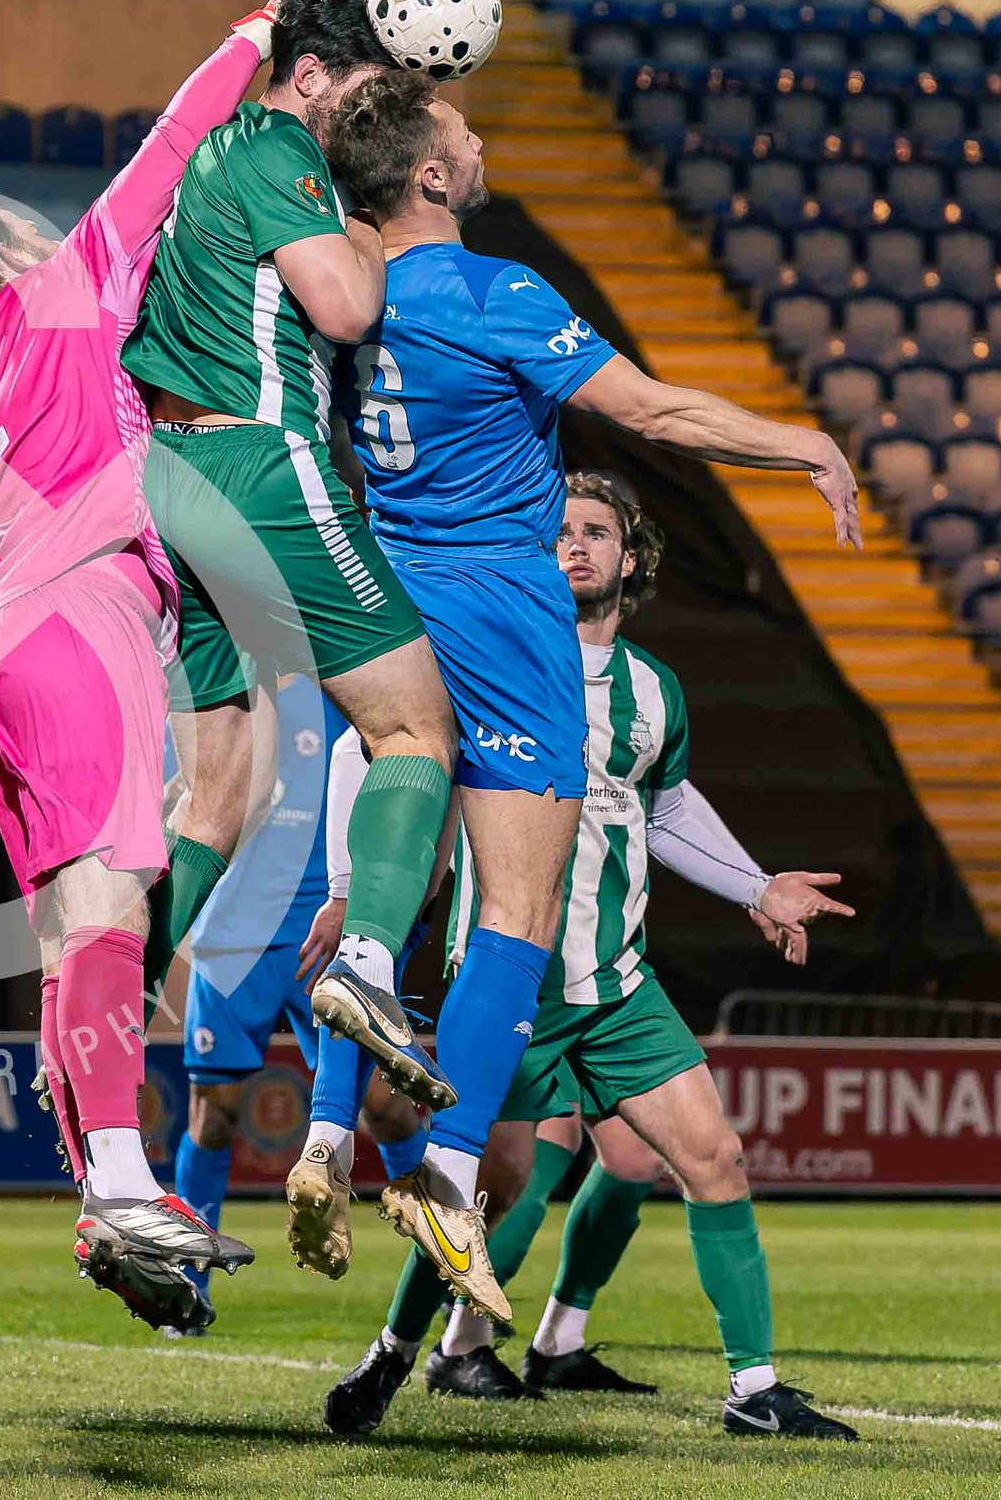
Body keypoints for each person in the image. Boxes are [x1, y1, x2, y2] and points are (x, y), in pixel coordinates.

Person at [295, 71, 864, 1320]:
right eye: (461, 131)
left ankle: (333, 1127)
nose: (479, 137)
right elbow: (652, 410)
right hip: (502, 611)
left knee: (386, 850)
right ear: (432, 178)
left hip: (380, 594)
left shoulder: (335, 289)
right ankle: (446, 1180)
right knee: (521, 903)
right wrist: (802, 445)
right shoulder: (497, 292)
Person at [324, 473, 859, 1441]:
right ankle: (399, 1354)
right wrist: (349, 891)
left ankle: (753, 1391)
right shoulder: (480, 664)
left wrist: (756, 886)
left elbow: (664, 807)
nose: (575, 545)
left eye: (597, 533)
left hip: (617, 984)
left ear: (629, 559)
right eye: (558, 531)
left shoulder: (654, 689)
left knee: (716, 1158)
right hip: (508, 978)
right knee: (485, 1194)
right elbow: (377, 754)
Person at [0, 0, 285, 1326]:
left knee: (78, 928)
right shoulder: (59, 297)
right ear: (6, 249)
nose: (46, 220)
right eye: (23, 218)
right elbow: (167, 151)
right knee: (116, 899)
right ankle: (118, 1176)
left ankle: (106, 1187)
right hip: (77, 621)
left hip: (4, 632)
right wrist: (253, 36)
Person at [114, 0, 463, 1156]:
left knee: (216, 792)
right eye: (364, 89)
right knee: (413, 729)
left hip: (171, 477)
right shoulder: (273, 144)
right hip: (263, 463)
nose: (374, 120)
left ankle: (104, 1027)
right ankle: (368, 962)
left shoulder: (205, 160)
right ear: (308, 76)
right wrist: (369, 227)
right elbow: (344, 305)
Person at [167, 676, 358, 1333]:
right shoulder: (220, 692)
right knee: (213, 1112)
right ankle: (188, 1282)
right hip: (233, 939)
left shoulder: (349, 690)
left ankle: (450, 1276)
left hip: (320, 934)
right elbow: (178, 806)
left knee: (385, 1107)